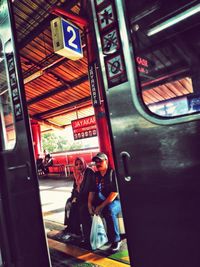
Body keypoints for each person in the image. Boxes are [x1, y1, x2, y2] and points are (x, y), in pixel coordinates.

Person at [81, 152, 122, 252]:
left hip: (115, 201)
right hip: (101, 200)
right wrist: (90, 204)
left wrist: (100, 207)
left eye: (100, 161)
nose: (97, 163)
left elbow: (114, 194)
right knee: (83, 208)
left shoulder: (112, 173)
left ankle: (116, 240)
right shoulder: (96, 175)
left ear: (106, 161)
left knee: (109, 210)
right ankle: (88, 237)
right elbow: (92, 190)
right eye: (96, 162)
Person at [63, 157, 94, 240]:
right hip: (80, 196)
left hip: (89, 197)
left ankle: (84, 234)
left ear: (84, 163)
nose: (79, 166)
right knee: (69, 202)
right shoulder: (76, 174)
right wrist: (73, 197)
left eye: (80, 164)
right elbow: (74, 188)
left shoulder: (89, 172)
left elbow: (89, 188)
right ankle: (72, 227)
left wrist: (77, 197)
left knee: (80, 207)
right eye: (76, 164)